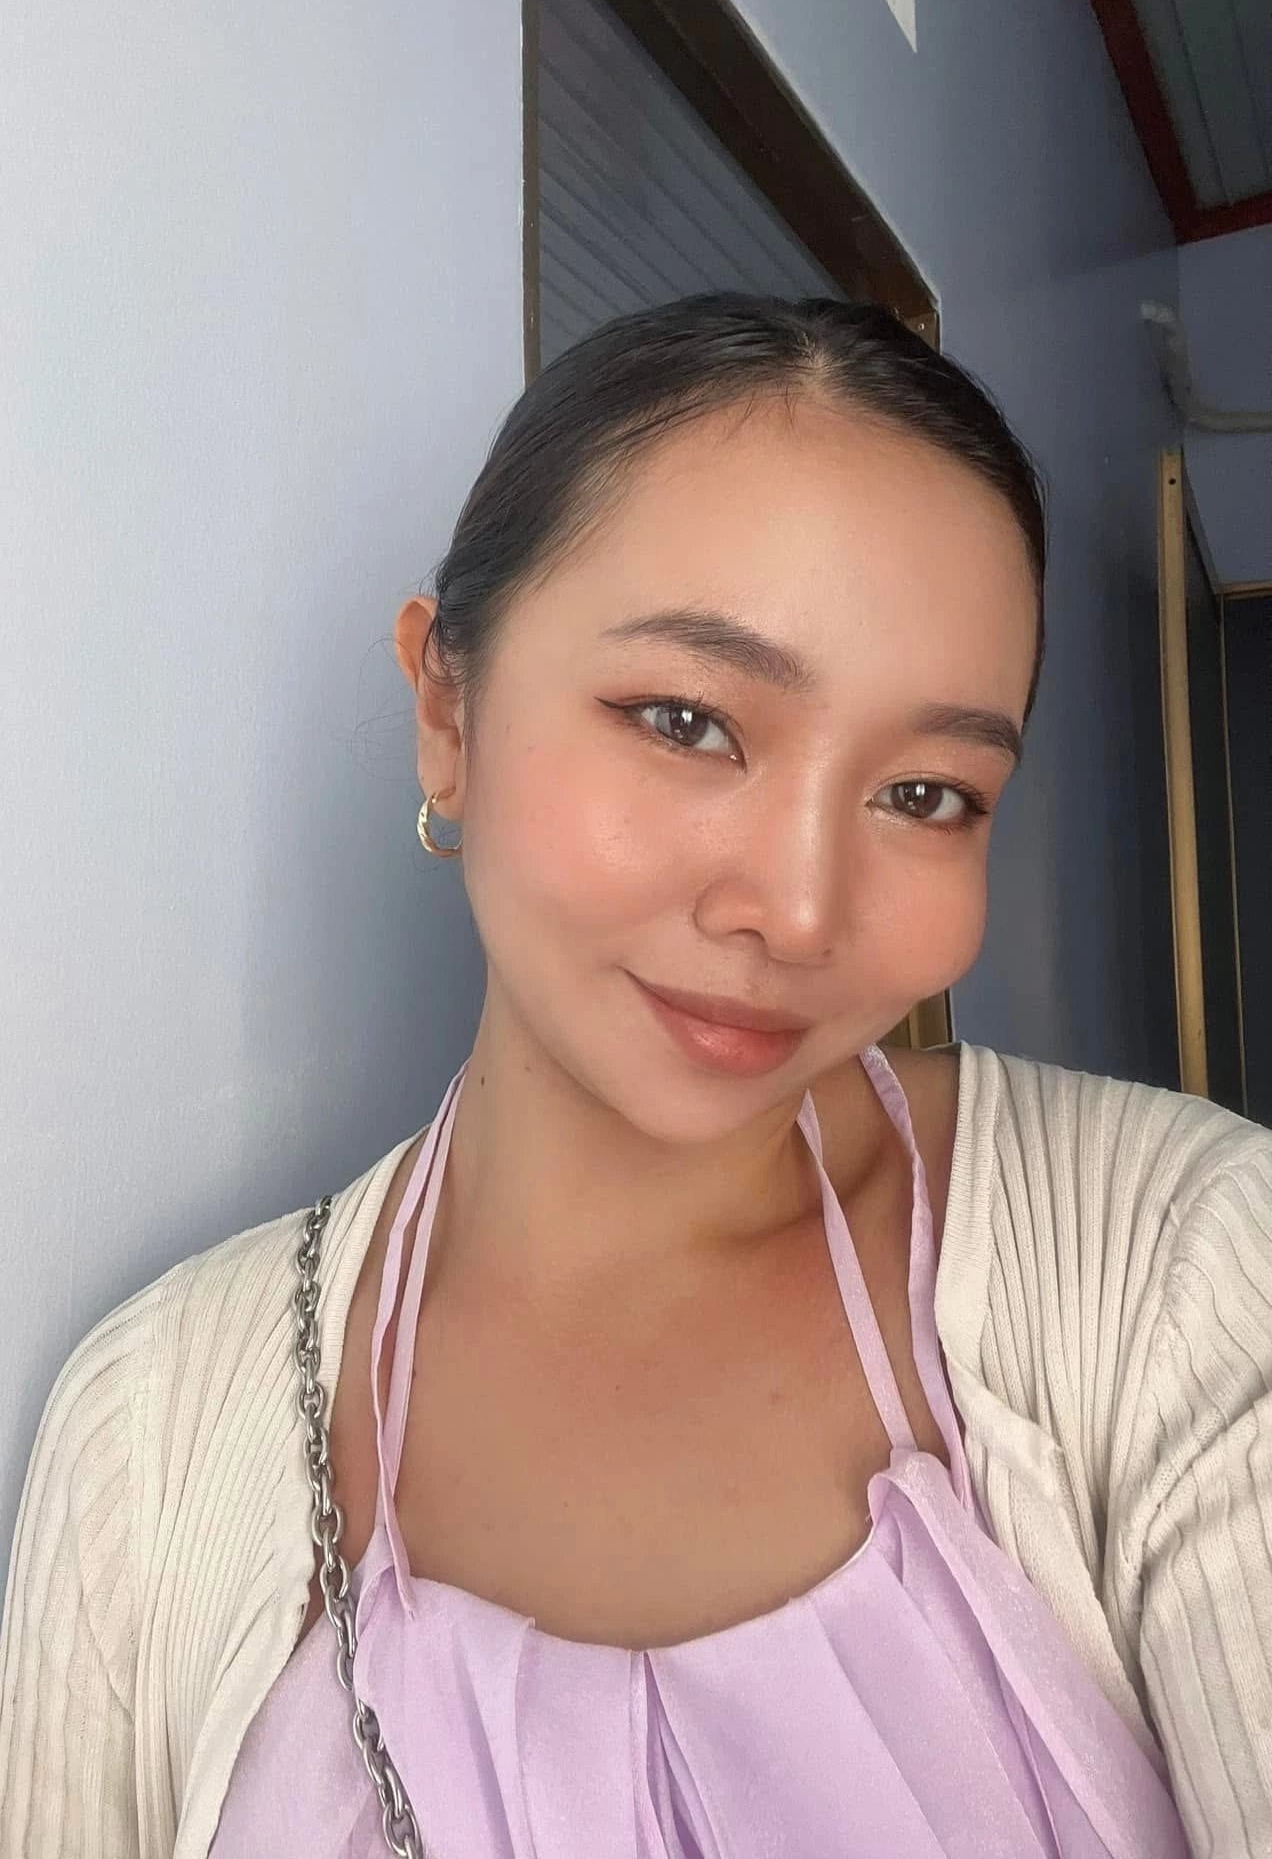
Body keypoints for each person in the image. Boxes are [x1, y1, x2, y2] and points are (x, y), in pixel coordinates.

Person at [1, 296, 1269, 1859]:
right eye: (688, 721)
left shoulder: (1184, 1265)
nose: (797, 912)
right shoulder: (146, 1437)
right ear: (448, 711)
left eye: (927, 794)